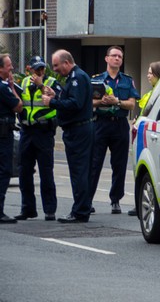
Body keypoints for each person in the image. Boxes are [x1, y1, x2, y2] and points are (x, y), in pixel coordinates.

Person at [42, 50, 94, 223]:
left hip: (78, 131)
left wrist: (53, 102)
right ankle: (81, 208)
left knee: (78, 172)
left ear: (66, 62)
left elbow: (75, 104)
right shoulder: (74, 77)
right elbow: (72, 99)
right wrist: (56, 95)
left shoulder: (77, 78)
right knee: (79, 172)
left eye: (56, 65)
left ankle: (80, 211)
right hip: (76, 130)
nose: (55, 69)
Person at [88, 46, 138, 215]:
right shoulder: (96, 80)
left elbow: (132, 104)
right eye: (114, 56)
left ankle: (115, 200)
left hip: (120, 124)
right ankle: (87, 200)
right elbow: (88, 102)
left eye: (120, 56)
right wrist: (101, 102)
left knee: (119, 164)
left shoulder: (127, 80)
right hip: (101, 124)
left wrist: (116, 101)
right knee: (94, 163)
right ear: (106, 58)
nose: (117, 59)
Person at [15, 56, 62, 221]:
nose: (40, 71)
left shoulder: (51, 83)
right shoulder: (24, 83)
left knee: (46, 172)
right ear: (29, 69)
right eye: (37, 69)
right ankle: (28, 209)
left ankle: (50, 209)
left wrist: (41, 85)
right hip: (27, 131)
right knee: (24, 172)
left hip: (44, 132)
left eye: (42, 68)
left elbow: (58, 100)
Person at [127, 60, 160, 217]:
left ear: (158, 74)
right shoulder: (151, 93)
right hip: (143, 135)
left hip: (154, 137)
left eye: (151, 73)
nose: (148, 75)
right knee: (140, 171)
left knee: (148, 173)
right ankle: (140, 203)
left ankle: (145, 204)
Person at [0, 54, 23, 223]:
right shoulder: (3, 87)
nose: (12, 68)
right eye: (9, 66)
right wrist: (12, 87)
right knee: (3, 171)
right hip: (3, 135)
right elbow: (18, 106)